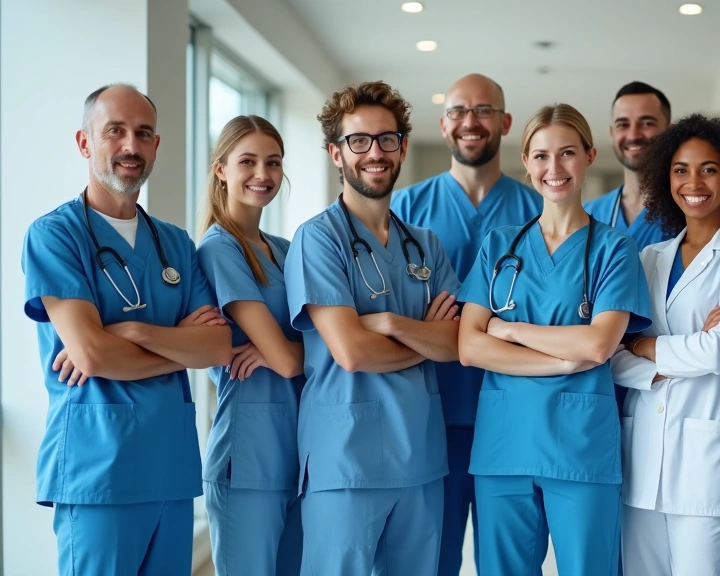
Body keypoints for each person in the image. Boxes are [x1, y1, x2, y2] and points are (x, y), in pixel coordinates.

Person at [21, 83, 233, 576]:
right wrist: (180, 347)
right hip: (98, 471)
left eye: (143, 133)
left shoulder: (176, 244)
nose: (130, 146)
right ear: (84, 143)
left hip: (171, 470)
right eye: (114, 131)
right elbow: (92, 354)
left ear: (156, 145)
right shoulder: (55, 235)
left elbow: (218, 345)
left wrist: (133, 332)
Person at [458, 103, 652, 576]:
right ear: (525, 161)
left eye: (567, 153)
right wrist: (560, 361)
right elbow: (468, 347)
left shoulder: (614, 249)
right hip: (504, 450)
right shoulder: (499, 244)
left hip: (580, 451)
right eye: (541, 155)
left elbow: (598, 346)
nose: (554, 168)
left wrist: (508, 330)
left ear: (588, 156)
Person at [284, 80, 462, 576]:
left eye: (386, 139)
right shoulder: (318, 240)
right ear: (335, 154)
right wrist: (422, 336)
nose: (374, 153)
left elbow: (459, 342)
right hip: (345, 463)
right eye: (358, 141)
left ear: (402, 147)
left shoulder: (425, 244)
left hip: (421, 460)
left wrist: (387, 324)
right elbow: (351, 351)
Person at [391, 73, 542, 576]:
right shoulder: (405, 209)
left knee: (511, 562)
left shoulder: (537, 210)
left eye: (483, 110)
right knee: (431, 559)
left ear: (504, 123)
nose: (470, 122)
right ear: (443, 123)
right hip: (430, 414)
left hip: (515, 414)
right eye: (459, 111)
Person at [611, 113, 720, 576]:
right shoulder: (649, 258)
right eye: (681, 169)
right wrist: (680, 348)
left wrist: (647, 347)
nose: (693, 182)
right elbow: (612, 354)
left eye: (708, 169)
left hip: (709, 459)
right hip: (643, 455)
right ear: (666, 179)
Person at [196, 115, 304, 575]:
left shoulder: (283, 248)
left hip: (299, 452)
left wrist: (285, 353)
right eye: (248, 161)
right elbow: (293, 354)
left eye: (273, 162)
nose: (263, 174)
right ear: (221, 169)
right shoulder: (220, 249)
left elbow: (296, 351)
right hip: (249, 459)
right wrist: (286, 352)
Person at [584, 81, 674, 250]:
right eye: (623, 125)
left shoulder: (687, 211)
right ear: (612, 133)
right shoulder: (586, 216)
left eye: (647, 123)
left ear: (669, 133)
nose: (633, 135)